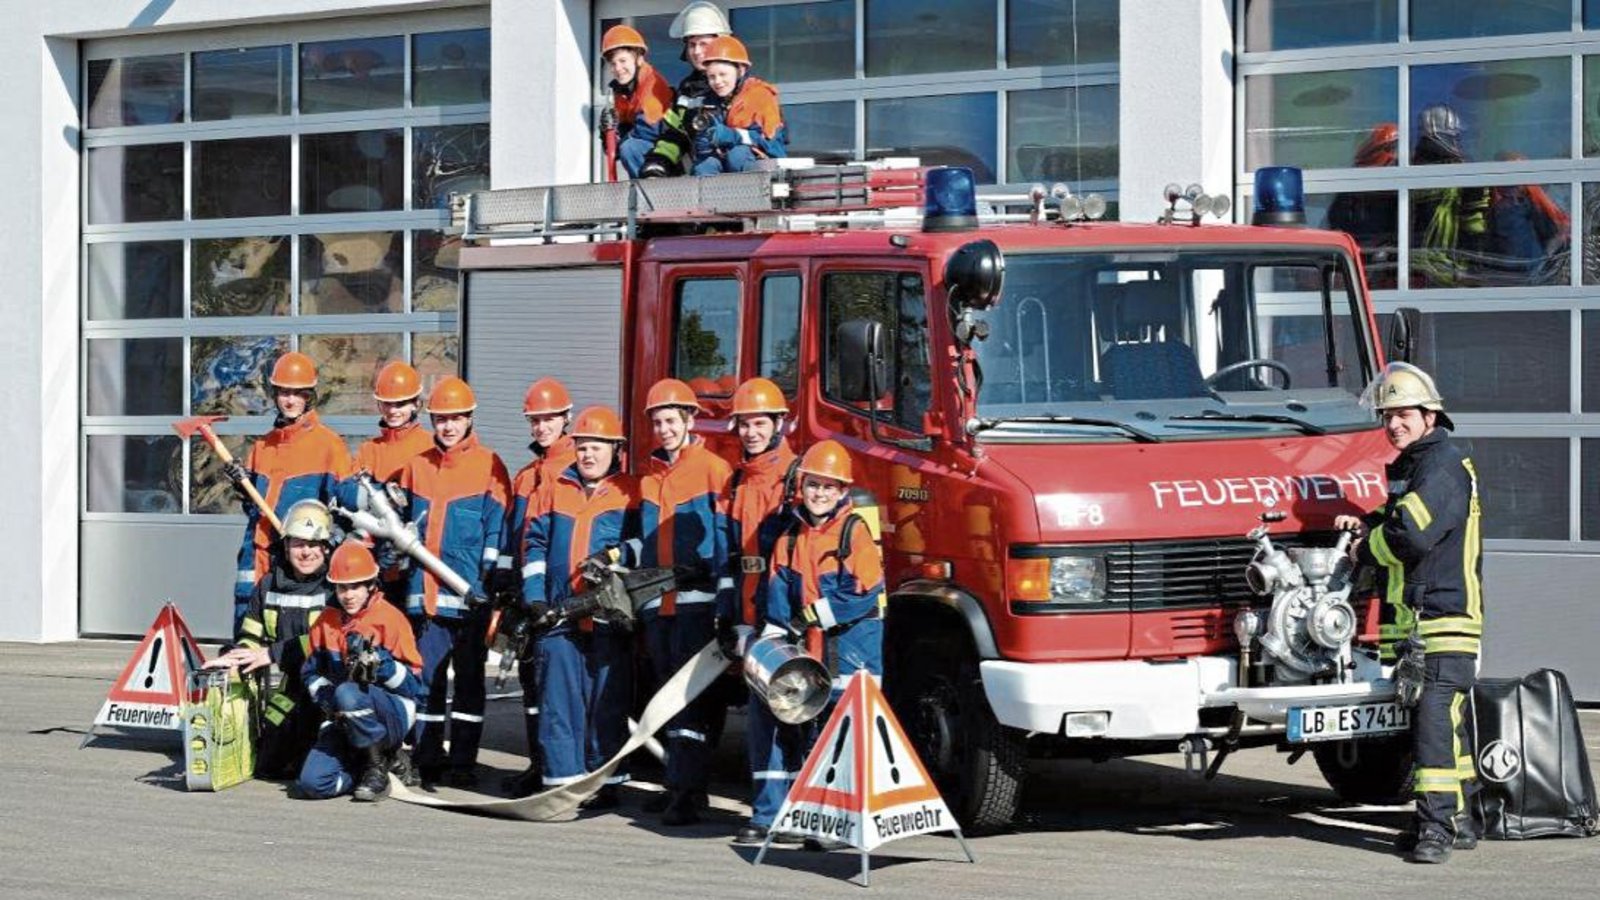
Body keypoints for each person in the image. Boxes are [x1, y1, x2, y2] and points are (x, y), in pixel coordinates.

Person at [1334, 362, 1483, 864]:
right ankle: (1460, 820)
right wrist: (1366, 520)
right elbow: (1398, 516)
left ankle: (1435, 829)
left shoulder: (1440, 465)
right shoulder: (1418, 465)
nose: (1393, 424)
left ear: (1429, 414)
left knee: (1433, 726)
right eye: (1387, 415)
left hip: (1441, 619)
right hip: (1426, 621)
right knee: (1449, 724)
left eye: (1403, 414)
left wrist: (1364, 548)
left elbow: (1411, 535)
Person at [522, 406, 642, 809]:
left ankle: (604, 781)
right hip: (558, 614)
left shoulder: (632, 492)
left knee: (606, 699)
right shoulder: (553, 487)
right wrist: (535, 597)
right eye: (583, 447)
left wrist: (613, 556)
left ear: (616, 449)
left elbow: (644, 545)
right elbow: (534, 545)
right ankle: (562, 782)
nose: (588, 455)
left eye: (597, 448)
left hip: (608, 615)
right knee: (559, 700)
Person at [398, 376, 512, 787]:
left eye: (455, 419)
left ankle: (463, 762)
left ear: (469, 419)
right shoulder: (417, 466)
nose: (447, 426)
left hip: (471, 601)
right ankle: (427, 756)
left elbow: (497, 532)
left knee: (467, 684)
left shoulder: (489, 466)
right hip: (426, 600)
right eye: (441, 419)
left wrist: (490, 583)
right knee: (426, 682)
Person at [638, 377, 734, 825]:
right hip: (661, 607)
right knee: (667, 697)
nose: (664, 429)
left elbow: (724, 538)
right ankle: (677, 782)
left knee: (692, 700)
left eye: (671, 420)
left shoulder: (714, 470)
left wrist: (716, 585)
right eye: (658, 422)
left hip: (696, 605)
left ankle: (691, 794)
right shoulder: (649, 476)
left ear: (690, 420)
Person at [717, 378, 807, 845]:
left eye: (759, 423)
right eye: (745, 424)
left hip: (791, 620)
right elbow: (731, 557)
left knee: (797, 715)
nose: (750, 432)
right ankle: (769, 812)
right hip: (753, 621)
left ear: (779, 423)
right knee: (763, 720)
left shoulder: (797, 478)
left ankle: (798, 813)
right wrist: (731, 617)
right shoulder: (737, 481)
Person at [206, 499, 336, 780]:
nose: (307, 552)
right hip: (293, 686)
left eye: (314, 544)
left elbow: (324, 641)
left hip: (330, 686)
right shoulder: (268, 585)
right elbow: (251, 634)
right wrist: (237, 655)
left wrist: (273, 654)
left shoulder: (336, 588)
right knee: (268, 765)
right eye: (298, 544)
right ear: (285, 545)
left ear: (326, 548)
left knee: (311, 762)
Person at [227, 351, 352, 633]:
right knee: (247, 633)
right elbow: (252, 510)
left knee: (296, 638)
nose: (290, 400)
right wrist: (242, 485)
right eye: (284, 392)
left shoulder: (329, 446)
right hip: (256, 556)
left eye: (298, 393)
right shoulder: (263, 446)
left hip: (297, 560)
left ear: (310, 396)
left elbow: (343, 512)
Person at [499, 377, 579, 798]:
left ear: (566, 418)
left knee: (559, 688)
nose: (542, 426)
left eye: (549, 418)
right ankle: (539, 762)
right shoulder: (526, 475)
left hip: (560, 596)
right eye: (536, 420)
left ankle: (561, 764)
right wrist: (508, 585)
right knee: (531, 683)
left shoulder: (574, 470)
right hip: (527, 594)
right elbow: (516, 536)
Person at [295, 541, 425, 802]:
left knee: (349, 693)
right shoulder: (324, 623)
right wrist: (328, 699)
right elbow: (310, 674)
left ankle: (377, 767)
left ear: (371, 585)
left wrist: (383, 666)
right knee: (313, 784)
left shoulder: (391, 619)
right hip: (343, 713)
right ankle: (369, 768)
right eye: (342, 587)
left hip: (392, 714)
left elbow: (415, 688)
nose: (348, 595)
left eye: (356, 586)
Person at [766, 438, 884, 716]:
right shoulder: (789, 539)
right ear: (802, 486)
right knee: (814, 739)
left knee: (853, 739)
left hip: (854, 657)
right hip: (811, 659)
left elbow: (864, 593)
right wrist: (775, 635)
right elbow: (778, 597)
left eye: (829, 486)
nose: (820, 494)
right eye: (813, 485)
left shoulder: (854, 533)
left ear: (843, 490)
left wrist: (810, 616)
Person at [341, 360, 434, 604]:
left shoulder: (430, 447)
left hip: (416, 561)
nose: (393, 411)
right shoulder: (369, 450)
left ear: (416, 403)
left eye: (401, 404)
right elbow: (350, 497)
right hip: (375, 560)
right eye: (387, 404)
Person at [638, 1, 734, 177]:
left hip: (738, 171)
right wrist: (659, 161)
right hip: (701, 168)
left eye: (703, 44)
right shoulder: (687, 90)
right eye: (692, 44)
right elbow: (676, 133)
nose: (697, 51)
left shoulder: (741, 86)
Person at [688, 36, 786, 175]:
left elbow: (769, 143)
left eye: (723, 75)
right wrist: (704, 144)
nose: (717, 81)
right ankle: (712, 197)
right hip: (724, 157)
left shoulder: (760, 96)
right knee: (704, 166)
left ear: (741, 70)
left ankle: (751, 196)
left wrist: (734, 136)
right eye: (712, 77)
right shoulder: (708, 100)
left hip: (763, 161)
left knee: (737, 156)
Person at [600, 24, 676, 179]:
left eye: (623, 61)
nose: (618, 68)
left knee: (630, 147)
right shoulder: (622, 92)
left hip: (669, 150)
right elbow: (622, 130)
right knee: (629, 146)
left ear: (639, 59)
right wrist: (608, 134)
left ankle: (650, 194)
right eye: (613, 64)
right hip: (651, 150)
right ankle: (641, 192)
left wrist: (620, 139)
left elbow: (648, 129)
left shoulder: (652, 83)